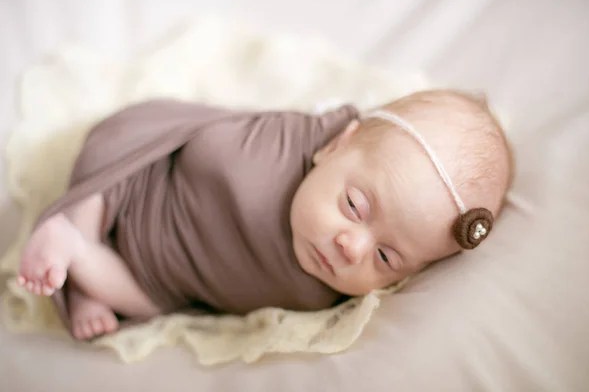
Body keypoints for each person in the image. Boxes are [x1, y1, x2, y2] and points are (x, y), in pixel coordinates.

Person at [16, 89, 513, 340]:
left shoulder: (327, 295)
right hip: (149, 185)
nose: (351, 246)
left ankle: (80, 263)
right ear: (337, 145)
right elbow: (199, 143)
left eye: (386, 257)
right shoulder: (273, 149)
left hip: (167, 277)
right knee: (105, 172)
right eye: (355, 206)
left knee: (150, 306)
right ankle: (75, 231)